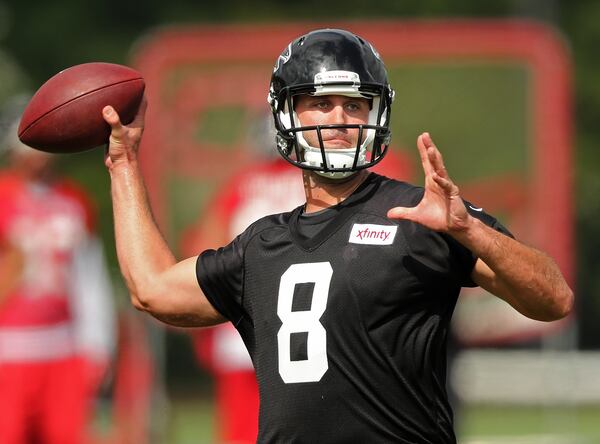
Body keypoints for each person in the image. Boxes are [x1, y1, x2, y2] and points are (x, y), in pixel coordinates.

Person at [102, 29, 573, 443]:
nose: (340, 119)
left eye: (354, 104)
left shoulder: (421, 214)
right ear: (286, 115)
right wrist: (124, 164)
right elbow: (153, 289)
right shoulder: (261, 245)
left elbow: (553, 299)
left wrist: (471, 230)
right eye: (321, 103)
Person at [0, 126, 115, 444]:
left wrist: (98, 343)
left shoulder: (74, 200)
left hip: (63, 347)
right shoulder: (3, 196)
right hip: (8, 348)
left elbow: (90, 279)